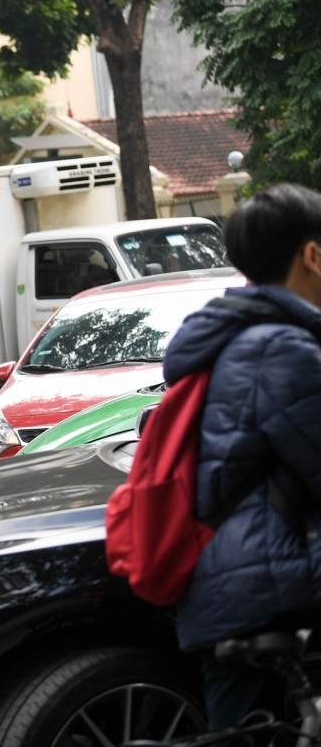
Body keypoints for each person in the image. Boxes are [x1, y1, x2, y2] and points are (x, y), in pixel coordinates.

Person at [161, 183, 321, 730]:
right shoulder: (281, 348)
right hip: (266, 587)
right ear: (313, 255)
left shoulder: (243, 336)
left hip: (232, 583)